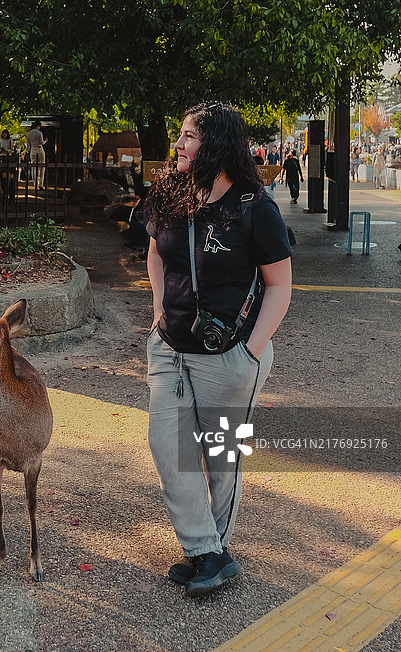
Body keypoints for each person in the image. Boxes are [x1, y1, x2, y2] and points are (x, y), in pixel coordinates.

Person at [145, 102, 292, 597]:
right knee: (169, 449)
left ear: (218, 147)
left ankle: (209, 548)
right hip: (170, 349)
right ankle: (208, 550)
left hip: (231, 355)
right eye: (181, 134)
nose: (180, 143)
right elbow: (155, 254)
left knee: (219, 457)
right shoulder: (168, 193)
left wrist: (250, 351)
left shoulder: (254, 207)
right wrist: (159, 312)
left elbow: (280, 284)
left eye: (190, 136)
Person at [0, 129, 16, 201]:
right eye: (3, 133)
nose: (4, 135)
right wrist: (0, 151)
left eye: (5, 133)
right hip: (2, 157)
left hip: (8, 157)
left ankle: (11, 196)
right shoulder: (0, 141)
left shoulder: (10, 140)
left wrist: (6, 150)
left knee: (10, 178)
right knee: (2, 177)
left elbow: (12, 150)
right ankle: (4, 193)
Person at [26, 120, 46, 190]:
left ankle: (35, 184)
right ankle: (41, 184)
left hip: (33, 150)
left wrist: (28, 152)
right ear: (38, 126)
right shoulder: (39, 133)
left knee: (34, 168)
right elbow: (41, 142)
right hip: (40, 149)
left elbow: (28, 146)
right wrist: (46, 140)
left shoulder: (28, 134)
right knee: (42, 167)